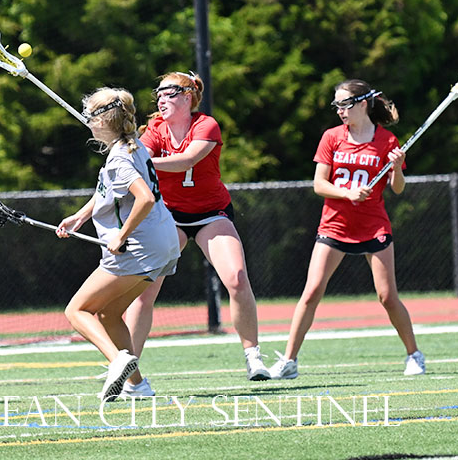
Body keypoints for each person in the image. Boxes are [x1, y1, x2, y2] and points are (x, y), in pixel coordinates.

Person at [269, 80, 425, 379]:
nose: (340, 111)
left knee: (387, 296)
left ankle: (414, 355)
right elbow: (319, 184)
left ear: (363, 103)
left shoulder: (387, 140)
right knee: (312, 291)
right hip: (334, 225)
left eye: (345, 104)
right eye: (337, 106)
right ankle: (289, 361)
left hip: (373, 226)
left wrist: (397, 166)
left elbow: (398, 188)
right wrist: (347, 193)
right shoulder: (332, 137)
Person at [121, 71, 270, 381]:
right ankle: (126, 368)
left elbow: (186, 161)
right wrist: (127, 154)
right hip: (168, 216)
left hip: (210, 213)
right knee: (143, 292)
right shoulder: (155, 129)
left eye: (168, 93)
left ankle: (253, 357)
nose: (161, 100)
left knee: (237, 278)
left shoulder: (206, 125)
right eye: (158, 94)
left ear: (187, 97)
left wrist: (142, 161)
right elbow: (139, 157)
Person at [56, 87, 180, 401]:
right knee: (109, 314)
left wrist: (121, 235)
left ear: (102, 121)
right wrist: (81, 216)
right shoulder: (133, 145)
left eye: (90, 116)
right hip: (164, 243)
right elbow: (109, 190)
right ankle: (137, 385)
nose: (87, 121)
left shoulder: (119, 159)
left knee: (77, 310)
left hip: (139, 247)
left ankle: (117, 361)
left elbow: (145, 198)